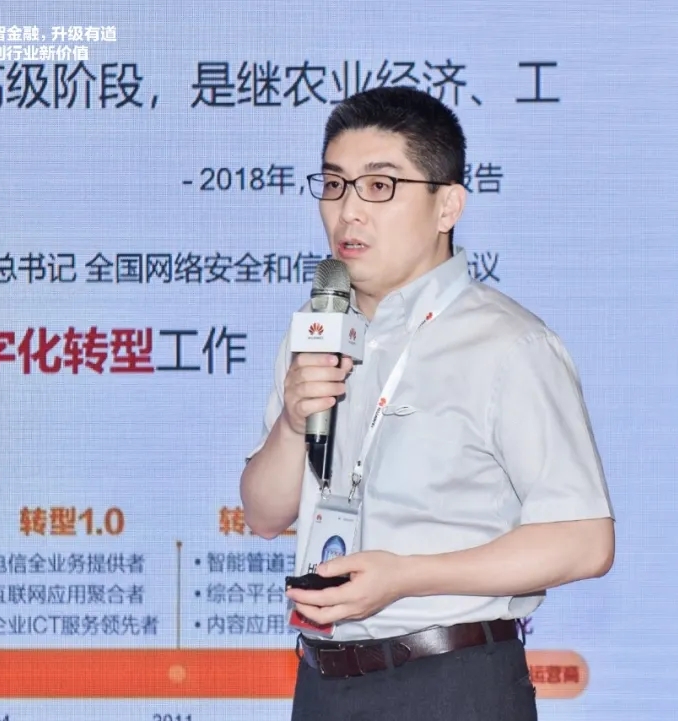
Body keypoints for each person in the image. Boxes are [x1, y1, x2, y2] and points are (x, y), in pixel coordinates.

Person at [240, 85, 614, 721]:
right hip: (323, 682)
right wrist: (294, 419)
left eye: (379, 186)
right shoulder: (316, 331)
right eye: (334, 184)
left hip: (451, 681)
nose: (348, 212)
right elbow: (264, 513)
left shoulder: (508, 344)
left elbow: (585, 541)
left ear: (447, 205)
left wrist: (405, 575)